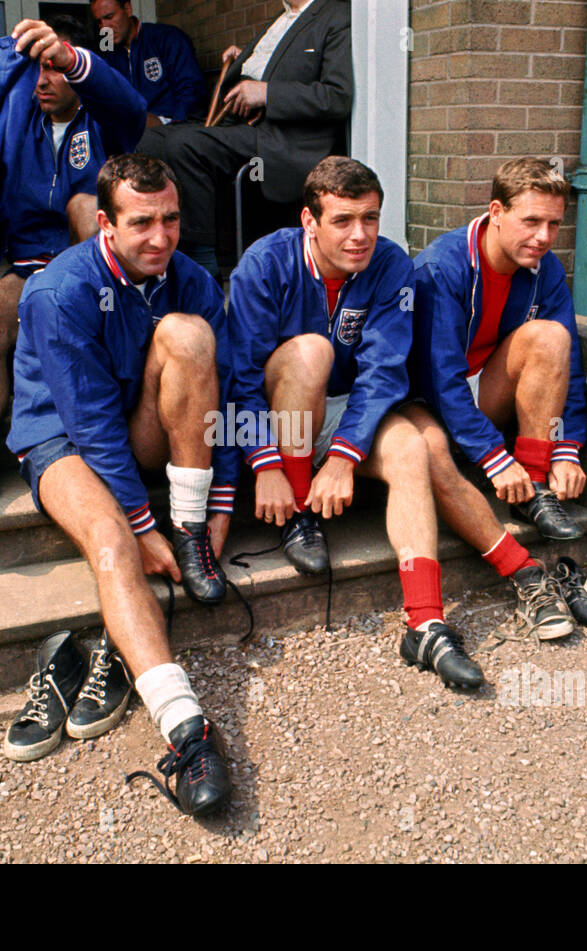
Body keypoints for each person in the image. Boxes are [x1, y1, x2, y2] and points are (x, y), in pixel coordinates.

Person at [2, 154, 236, 818]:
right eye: (141, 223)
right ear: (105, 223)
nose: (160, 237)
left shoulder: (188, 275)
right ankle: (187, 728)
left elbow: (234, 383)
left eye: (170, 219)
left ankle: (189, 529)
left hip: (141, 423)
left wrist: (219, 501)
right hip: (61, 438)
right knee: (109, 541)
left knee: (190, 335)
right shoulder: (58, 290)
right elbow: (90, 422)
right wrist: (138, 521)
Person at [228, 156, 485, 691]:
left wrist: (345, 453)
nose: (360, 234)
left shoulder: (391, 265)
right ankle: (301, 511)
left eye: (370, 218)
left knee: (413, 447)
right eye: (343, 220)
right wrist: (265, 463)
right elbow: (240, 377)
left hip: (350, 412)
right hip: (285, 415)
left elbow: (384, 370)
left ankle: (426, 622)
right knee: (310, 353)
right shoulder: (264, 263)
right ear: (309, 220)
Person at [0, 15, 147, 503]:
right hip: (30, 267)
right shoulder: (13, 123)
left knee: (85, 203)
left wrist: (74, 59)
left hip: (98, 273)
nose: (44, 79)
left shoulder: (104, 121)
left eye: (55, 68)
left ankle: (97, 434)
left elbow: (131, 107)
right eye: (38, 67)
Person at [407, 156, 587, 640]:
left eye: (554, 224)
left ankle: (531, 488)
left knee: (551, 337)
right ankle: (514, 570)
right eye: (530, 221)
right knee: (429, 447)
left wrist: (565, 448)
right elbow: (440, 380)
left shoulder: (545, 268)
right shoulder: (441, 266)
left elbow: (568, 364)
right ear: (496, 211)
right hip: (427, 401)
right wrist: (494, 457)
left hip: (483, 390)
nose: (543, 236)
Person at [138, 0, 351, 275]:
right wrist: (244, 62)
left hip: (284, 139)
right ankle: (156, 244)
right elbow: (279, 67)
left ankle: (203, 266)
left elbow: (337, 97)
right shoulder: (283, 18)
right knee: (149, 139)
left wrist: (266, 93)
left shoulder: (336, 14)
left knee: (185, 146)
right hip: (243, 126)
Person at [89, 0, 204, 128]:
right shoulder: (110, 55)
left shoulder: (167, 38)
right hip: (132, 132)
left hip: (171, 126)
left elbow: (191, 90)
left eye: (109, 17)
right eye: (99, 22)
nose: (105, 27)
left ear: (127, 9)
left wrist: (176, 128)